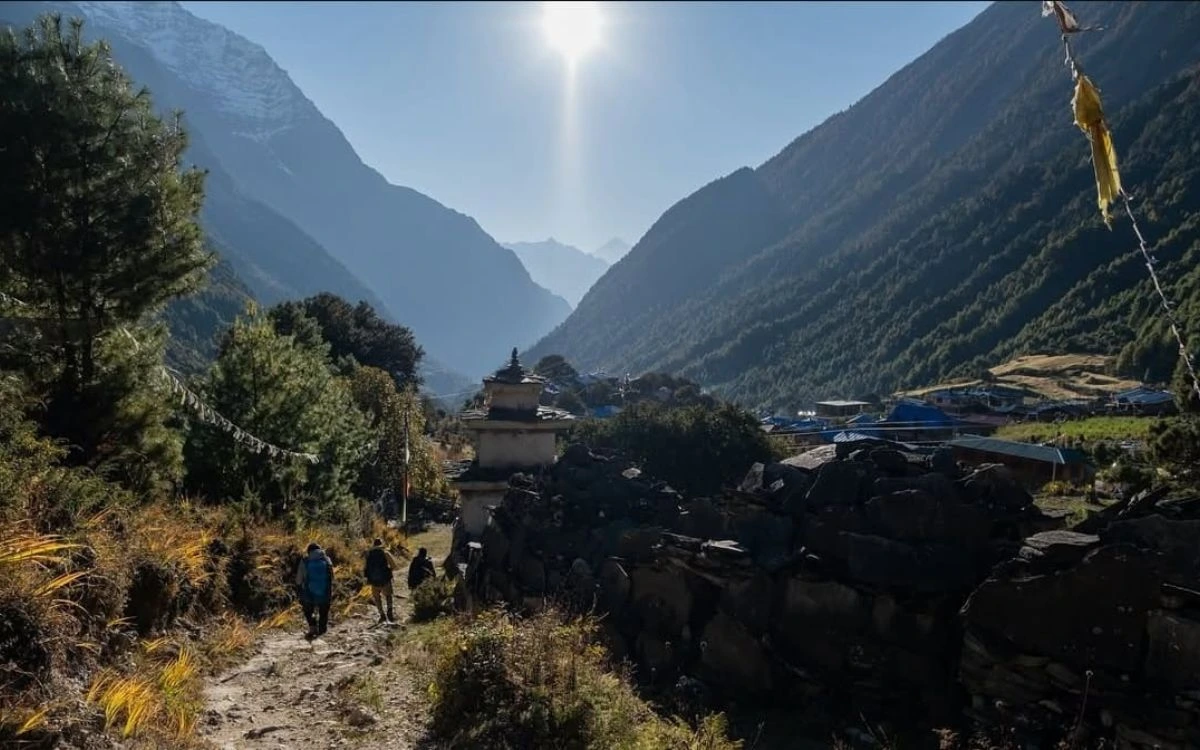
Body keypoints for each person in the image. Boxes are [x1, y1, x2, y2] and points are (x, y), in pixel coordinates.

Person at [295, 542, 334, 638]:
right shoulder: (327, 559)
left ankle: (312, 627)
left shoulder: (305, 560)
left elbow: (299, 580)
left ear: (309, 551)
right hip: (325, 592)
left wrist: (300, 587)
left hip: (309, 593)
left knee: (308, 610)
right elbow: (332, 577)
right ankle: (322, 630)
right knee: (324, 611)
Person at [363, 538, 399, 624]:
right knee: (388, 595)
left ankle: (382, 614)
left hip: (373, 580)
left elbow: (365, 568)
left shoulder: (368, 554)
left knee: (377, 598)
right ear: (381, 544)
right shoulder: (385, 553)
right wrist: (389, 570)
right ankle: (389, 612)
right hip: (385, 579)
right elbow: (394, 566)